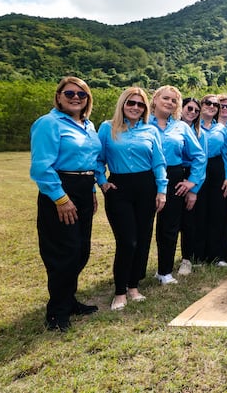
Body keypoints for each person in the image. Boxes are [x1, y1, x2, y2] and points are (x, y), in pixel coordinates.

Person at [30, 77, 101, 332]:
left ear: (87, 100)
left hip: (83, 189)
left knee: (81, 250)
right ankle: (56, 312)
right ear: (59, 96)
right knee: (63, 252)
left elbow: (88, 161)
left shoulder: (88, 125)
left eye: (81, 95)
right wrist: (61, 199)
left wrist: (92, 190)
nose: (75, 98)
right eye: (69, 93)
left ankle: (69, 301)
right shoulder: (48, 123)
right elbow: (41, 167)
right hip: (61, 190)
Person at [97, 87, 167, 311]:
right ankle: (119, 292)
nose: (135, 107)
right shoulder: (107, 128)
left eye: (140, 104)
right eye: (131, 103)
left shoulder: (151, 130)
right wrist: (102, 181)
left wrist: (162, 190)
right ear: (122, 104)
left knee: (143, 239)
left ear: (145, 108)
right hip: (119, 188)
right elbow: (97, 159)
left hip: (146, 187)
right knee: (127, 241)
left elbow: (159, 162)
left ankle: (134, 287)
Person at [150, 86, 206, 284]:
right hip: (145, 177)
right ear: (155, 99)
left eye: (174, 100)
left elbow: (199, 155)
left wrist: (192, 181)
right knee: (141, 228)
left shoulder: (181, 127)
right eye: (165, 98)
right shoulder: (141, 124)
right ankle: (133, 275)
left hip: (173, 177)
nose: (169, 103)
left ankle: (164, 271)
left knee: (169, 226)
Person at [192, 94, 227, 269]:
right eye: (208, 103)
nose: (212, 106)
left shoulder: (221, 128)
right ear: (201, 105)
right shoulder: (191, 126)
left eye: (215, 104)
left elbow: (226, 154)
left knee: (218, 212)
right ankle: (199, 255)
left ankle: (218, 254)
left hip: (216, 169)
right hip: (196, 168)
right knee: (199, 212)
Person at [178, 97, 203, 275]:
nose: (192, 112)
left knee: (189, 220)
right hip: (173, 175)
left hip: (192, 178)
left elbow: (201, 160)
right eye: (189, 108)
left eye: (196, 110)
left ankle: (186, 259)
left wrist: (193, 189)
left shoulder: (199, 132)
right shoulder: (170, 127)